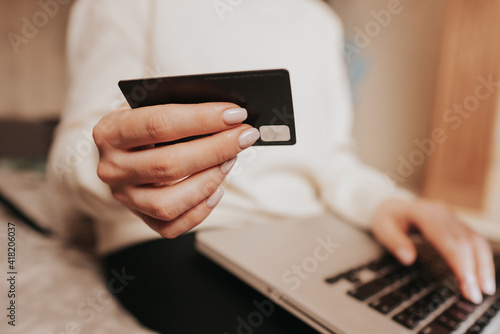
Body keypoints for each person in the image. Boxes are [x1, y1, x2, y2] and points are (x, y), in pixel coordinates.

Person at [48, 0, 495, 331]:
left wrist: (385, 202)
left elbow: (334, 160)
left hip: (310, 233)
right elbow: (74, 156)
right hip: (179, 240)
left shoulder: (319, 21)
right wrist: (116, 172)